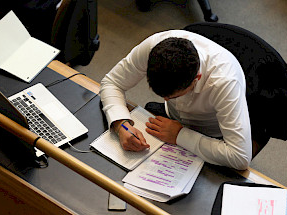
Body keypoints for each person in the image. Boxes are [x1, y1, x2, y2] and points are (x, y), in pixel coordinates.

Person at [100, 30, 252, 170]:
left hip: (211, 135)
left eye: (173, 97)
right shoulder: (154, 47)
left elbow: (240, 157)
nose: (165, 99)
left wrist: (180, 136)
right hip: (169, 119)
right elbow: (112, 83)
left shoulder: (224, 82)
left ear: (196, 79)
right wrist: (120, 124)